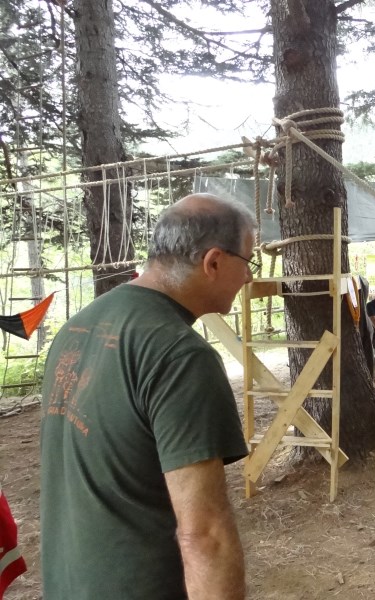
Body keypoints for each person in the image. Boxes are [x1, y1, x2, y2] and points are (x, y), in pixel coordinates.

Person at [40, 193, 254, 600]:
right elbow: (204, 534)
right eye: (248, 263)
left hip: (69, 583)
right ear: (213, 262)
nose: (248, 279)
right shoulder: (180, 354)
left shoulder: (77, 328)